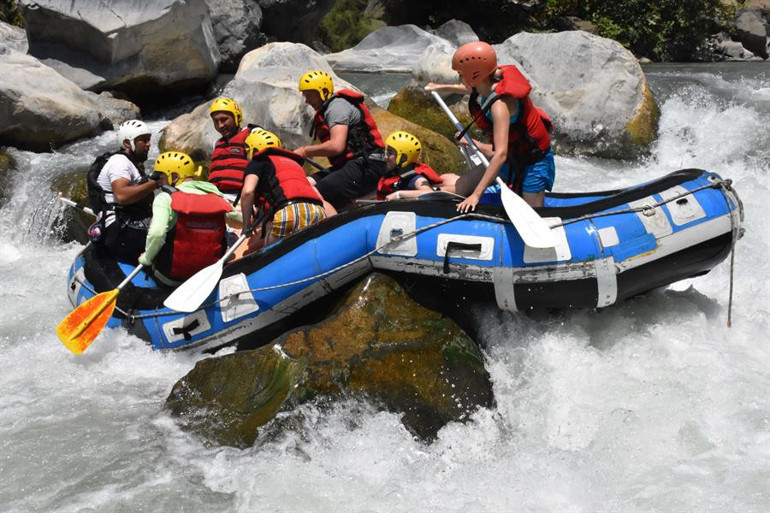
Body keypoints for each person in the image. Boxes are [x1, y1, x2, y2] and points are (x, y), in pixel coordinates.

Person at [426, 41, 555, 213]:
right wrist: (441, 87)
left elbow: (500, 154)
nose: (459, 78)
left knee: (533, 214)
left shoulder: (500, 105)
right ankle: (415, 195)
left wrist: (476, 195)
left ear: (475, 75)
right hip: (512, 156)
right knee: (462, 188)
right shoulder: (488, 81)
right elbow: (470, 89)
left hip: (533, 162)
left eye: (460, 74)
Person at [294, 70, 387, 210]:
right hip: (351, 164)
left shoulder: (337, 107)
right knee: (304, 183)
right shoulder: (329, 108)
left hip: (368, 164)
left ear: (323, 92)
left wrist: (304, 151)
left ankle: (328, 227)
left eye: (310, 95)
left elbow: (337, 146)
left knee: (312, 194)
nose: (307, 101)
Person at [138, 152, 234, 286]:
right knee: (231, 236)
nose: (157, 181)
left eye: (159, 176)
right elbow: (238, 219)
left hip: (170, 278)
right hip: (209, 275)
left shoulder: (165, 198)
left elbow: (157, 233)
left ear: (174, 176)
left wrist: (146, 259)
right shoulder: (218, 197)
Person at [240, 128, 328, 254]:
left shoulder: (258, 161)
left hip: (287, 212)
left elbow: (248, 191)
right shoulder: (294, 163)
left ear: (253, 150)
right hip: (316, 210)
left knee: (269, 256)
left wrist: (246, 226)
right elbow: (316, 194)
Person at [86, 119, 162, 264]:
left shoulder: (131, 163)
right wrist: (155, 183)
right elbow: (122, 196)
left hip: (126, 223)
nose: (148, 144)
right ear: (128, 143)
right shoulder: (120, 163)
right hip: (119, 230)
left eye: (149, 139)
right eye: (144, 140)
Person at [377, 131, 460, 200]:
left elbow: (428, 192)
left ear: (403, 158)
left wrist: (399, 194)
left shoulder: (414, 178)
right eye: (386, 151)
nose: (385, 156)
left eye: (390, 153)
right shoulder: (393, 173)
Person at [207, 96, 253, 200]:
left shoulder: (251, 137)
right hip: (216, 198)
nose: (220, 126)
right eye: (216, 121)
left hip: (240, 199)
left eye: (224, 120)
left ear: (238, 118)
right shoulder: (217, 143)